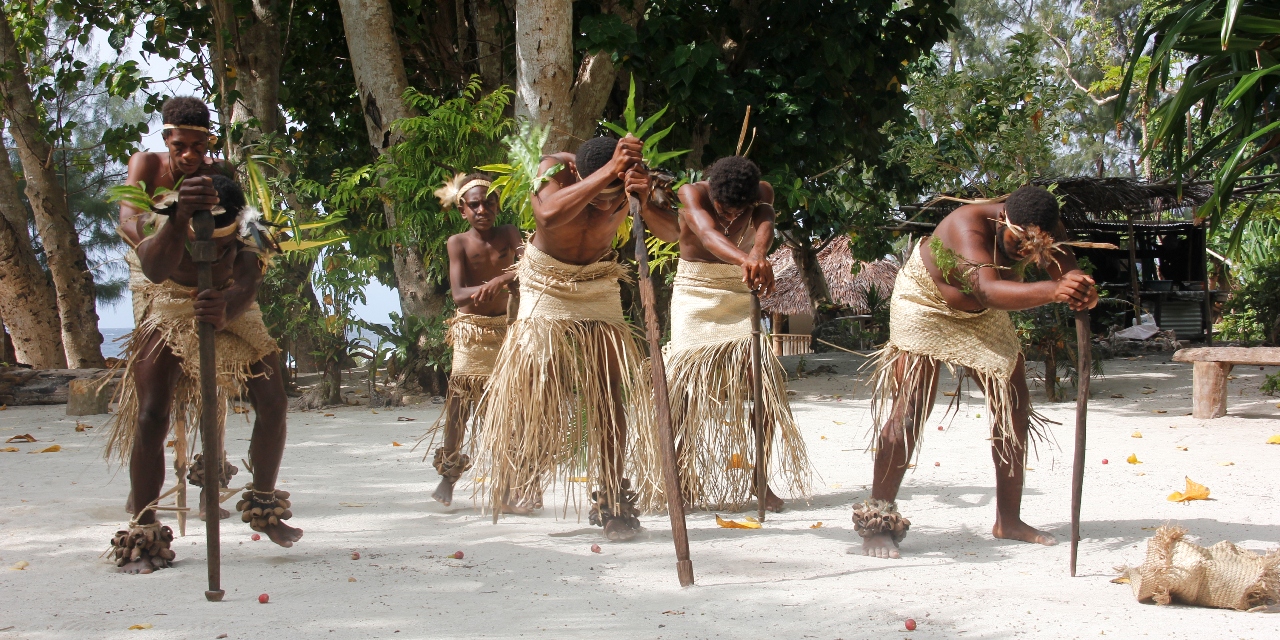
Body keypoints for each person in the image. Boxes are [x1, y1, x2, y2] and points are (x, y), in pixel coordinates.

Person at [857, 185, 1098, 559]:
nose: (1023, 251)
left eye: (1033, 247)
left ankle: (1009, 520)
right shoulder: (966, 225)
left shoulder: (1044, 230)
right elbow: (986, 289)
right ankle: (877, 524)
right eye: (1018, 241)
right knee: (910, 411)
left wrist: (1081, 289)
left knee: (1014, 409)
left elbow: (1068, 273)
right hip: (926, 304)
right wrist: (1055, 290)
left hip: (982, 315)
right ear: (1003, 219)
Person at [473, 134, 679, 540]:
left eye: (612, 198)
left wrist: (642, 194)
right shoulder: (554, 168)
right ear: (577, 173)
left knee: (608, 390)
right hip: (545, 281)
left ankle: (613, 500)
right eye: (599, 195)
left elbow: (672, 232)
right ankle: (521, 472)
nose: (605, 204)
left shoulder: (634, 180)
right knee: (530, 388)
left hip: (598, 282)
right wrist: (607, 174)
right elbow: (547, 216)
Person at [106, 171, 302, 574]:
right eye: (202, 246)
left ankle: (264, 505)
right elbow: (156, 270)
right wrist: (180, 223)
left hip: (232, 303)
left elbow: (248, 280)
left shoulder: (251, 224)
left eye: (221, 246)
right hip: (171, 303)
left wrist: (227, 306)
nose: (209, 256)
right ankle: (143, 530)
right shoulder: (162, 218)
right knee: (151, 413)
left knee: (274, 402)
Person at [666, 156, 812, 511]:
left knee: (767, 389)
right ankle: (681, 477)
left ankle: (759, 478)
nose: (731, 217)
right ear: (711, 192)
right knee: (686, 392)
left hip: (737, 289)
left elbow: (766, 219)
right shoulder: (691, 193)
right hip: (695, 293)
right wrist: (747, 260)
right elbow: (707, 234)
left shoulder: (763, 194)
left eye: (738, 212)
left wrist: (759, 252)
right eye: (723, 209)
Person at [116, 97, 234, 522]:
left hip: (203, 272)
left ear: (209, 143)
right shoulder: (146, 164)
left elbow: (241, 228)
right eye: (180, 145)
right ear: (166, 137)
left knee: (211, 383)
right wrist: (165, 231)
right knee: (154, 393)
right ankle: (143, 497)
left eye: (198, 148)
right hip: (151, 267)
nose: (189, 156)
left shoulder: (220, 174)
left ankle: (209, 486)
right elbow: (128, 220)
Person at [424, 172, 522, 507]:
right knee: (458, 406)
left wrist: (506, 278)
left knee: (509, 407)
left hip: (507, 328)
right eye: (475, 205)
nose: (483, 209)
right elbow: (459, 296)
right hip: (472, 332)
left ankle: (509, 485)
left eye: (489, 202)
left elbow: (530, 269)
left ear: (498, 204)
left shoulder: (509, 234)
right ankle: (448, 476)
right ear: (463, 210)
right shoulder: (458, 243)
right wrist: (492, 285)